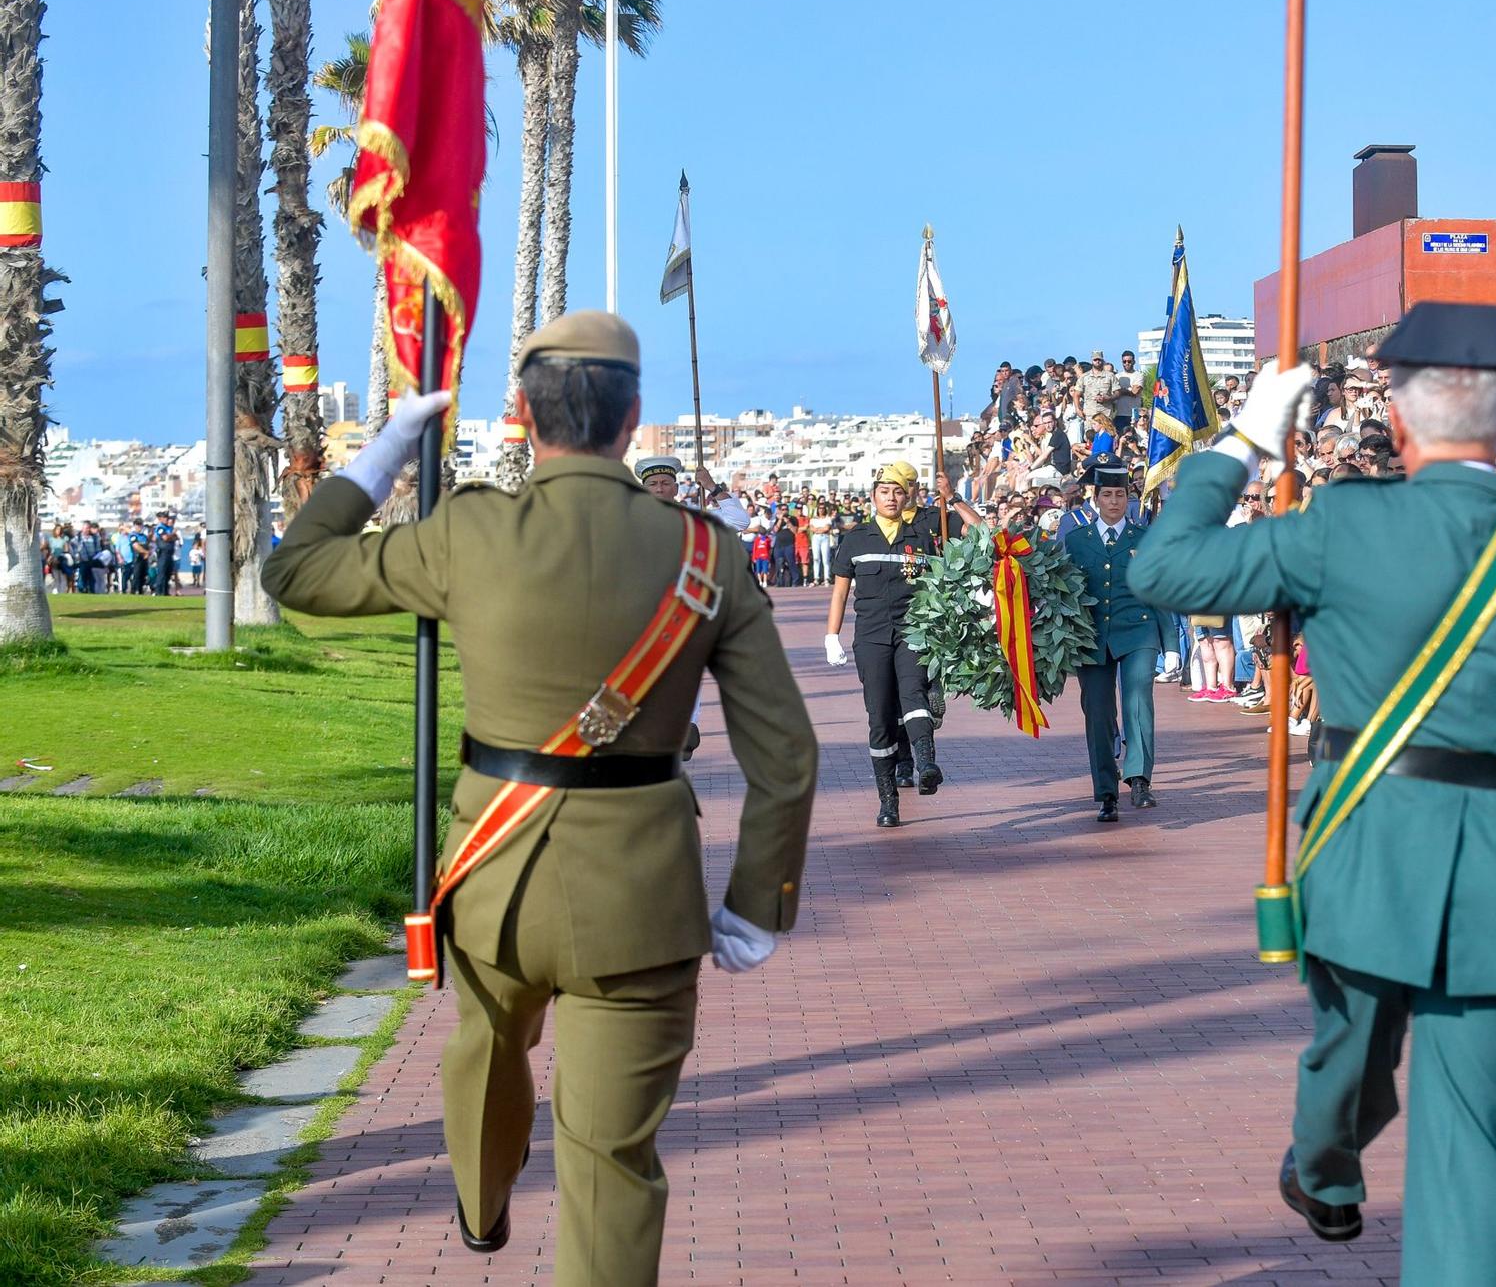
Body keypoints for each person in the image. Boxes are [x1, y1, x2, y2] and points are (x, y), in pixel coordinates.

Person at [262, 310, 815, 1282]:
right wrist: (756, 899)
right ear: (633, 416)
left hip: (494, 879)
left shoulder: (470, 531)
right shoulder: (706, 554)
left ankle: (481, 1206)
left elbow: (296, 570)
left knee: (483, 1048)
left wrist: (385, 454)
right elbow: (786, 752)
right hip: (640, 900)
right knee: (612, 1164)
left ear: (522, 412)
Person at [1131, 302, 1496, 1285]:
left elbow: (1161, 565)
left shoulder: (1336, 523)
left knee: (1349, 1051)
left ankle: (1323, 1160)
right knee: (1465, 1151)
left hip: (1362, 856)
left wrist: (1244, 440)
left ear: (1404, 426)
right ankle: (1326, 1164)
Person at [824, 462, 978, 826]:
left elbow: (978, 530)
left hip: (913, 632)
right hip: (871, 637)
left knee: (914, 695)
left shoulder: (923, 532)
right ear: (873, 496)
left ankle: (926, 764)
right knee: (879, 716)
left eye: (898, 491)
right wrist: (832, 635)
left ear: (907, 495)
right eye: (884, 491)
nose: (891, 497)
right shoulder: (856, 538)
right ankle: (888, 801)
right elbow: (841, 591)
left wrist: (952, 497)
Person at [1062, 458, 1174, 822]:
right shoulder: (1077, 541)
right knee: (1098, 713)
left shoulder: (1144, 538)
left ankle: (1139, 778)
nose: (1114, 501)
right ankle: (1106, 793)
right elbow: (1061, 592)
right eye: (1107, 494)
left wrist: (1170, 644)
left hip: (1138, 630)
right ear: (1096, 498)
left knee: (1138, 698)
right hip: (1092, 636)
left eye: (1120, 494)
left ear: (1129, 498)